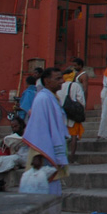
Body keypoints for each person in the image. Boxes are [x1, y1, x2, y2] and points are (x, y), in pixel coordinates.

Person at [22, 67, 70, 200]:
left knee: (52, 191)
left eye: (62, 78)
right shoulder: (43, 99)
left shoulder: (53, 98)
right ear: (47, 81)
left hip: (51, 151)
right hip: (43, 152)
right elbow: (39, 127)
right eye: (58, 78)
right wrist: (38, 155)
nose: (62, 81)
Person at [57, 76, 86, 162]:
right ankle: (72, 157)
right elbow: (81, 100)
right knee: (74, 137)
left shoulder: (59, 86)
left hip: (62, 114)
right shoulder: (76, 85)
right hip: (73, 114)